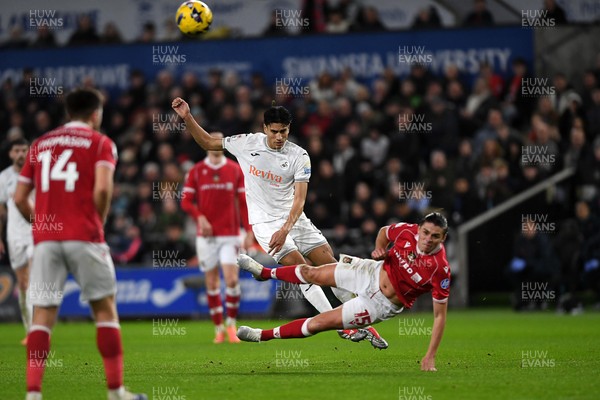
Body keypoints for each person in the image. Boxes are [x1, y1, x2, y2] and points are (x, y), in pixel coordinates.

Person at [171, 97, 388, 348]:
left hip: (294, 219)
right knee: (303, 271)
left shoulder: (299, 155)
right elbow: (208, 141)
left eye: (283, 131)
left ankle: (359, 321)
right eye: (274, 131)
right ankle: (341, 327)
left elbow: (299, 200)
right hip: (265, 224)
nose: (279, 137)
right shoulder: (246, 143)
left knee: (332, 267)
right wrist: (187, 116)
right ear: (264, 128)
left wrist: (286, 229)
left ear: (289, 129)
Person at [13, 88, 146, 400]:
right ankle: (116, 392)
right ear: (96, 114)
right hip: (85, 235)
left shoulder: (40, 144)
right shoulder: (101, 143)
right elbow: (102, 189)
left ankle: (33, 394)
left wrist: (42, 225)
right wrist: (96, 221)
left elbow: (19, 198)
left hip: (46, 242)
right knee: (104, 310)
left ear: (67, 113)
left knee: (42, 317)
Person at [236, 212, 452, 372]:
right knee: (314, 273)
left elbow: (440, 316)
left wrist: (430, 356)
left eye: (435, 236)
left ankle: (261, 336)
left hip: (379, 305)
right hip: (370, 272)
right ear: (420, 228)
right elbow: (384, 232)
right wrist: (380, 248)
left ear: (442, 238)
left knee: (318, 324)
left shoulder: (440, 269)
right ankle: (264, 272)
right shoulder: (408, 231)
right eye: (425, 232)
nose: (427, 239)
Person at [181, 133, 253, 343]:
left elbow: (243, 201)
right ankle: (218, 328)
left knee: (231, 279)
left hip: (230, 234)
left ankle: (231, 324)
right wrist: (200, 217)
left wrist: (248, 230)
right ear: (206, 145)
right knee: (211, 282)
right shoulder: (195, 172)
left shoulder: (234, 169)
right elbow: (186, 202)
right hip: (207, 237)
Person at [0, 138, 34, 345]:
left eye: (24, 150)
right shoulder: (4, 177)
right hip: (14, 236)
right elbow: (1, 212)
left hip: (36, 231)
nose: (21, 154)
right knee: (22, 284)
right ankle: (30, 329)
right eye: (17, 151)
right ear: (11, 154)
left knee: (31, 281)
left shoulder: (38, 172)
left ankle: (37, 332)